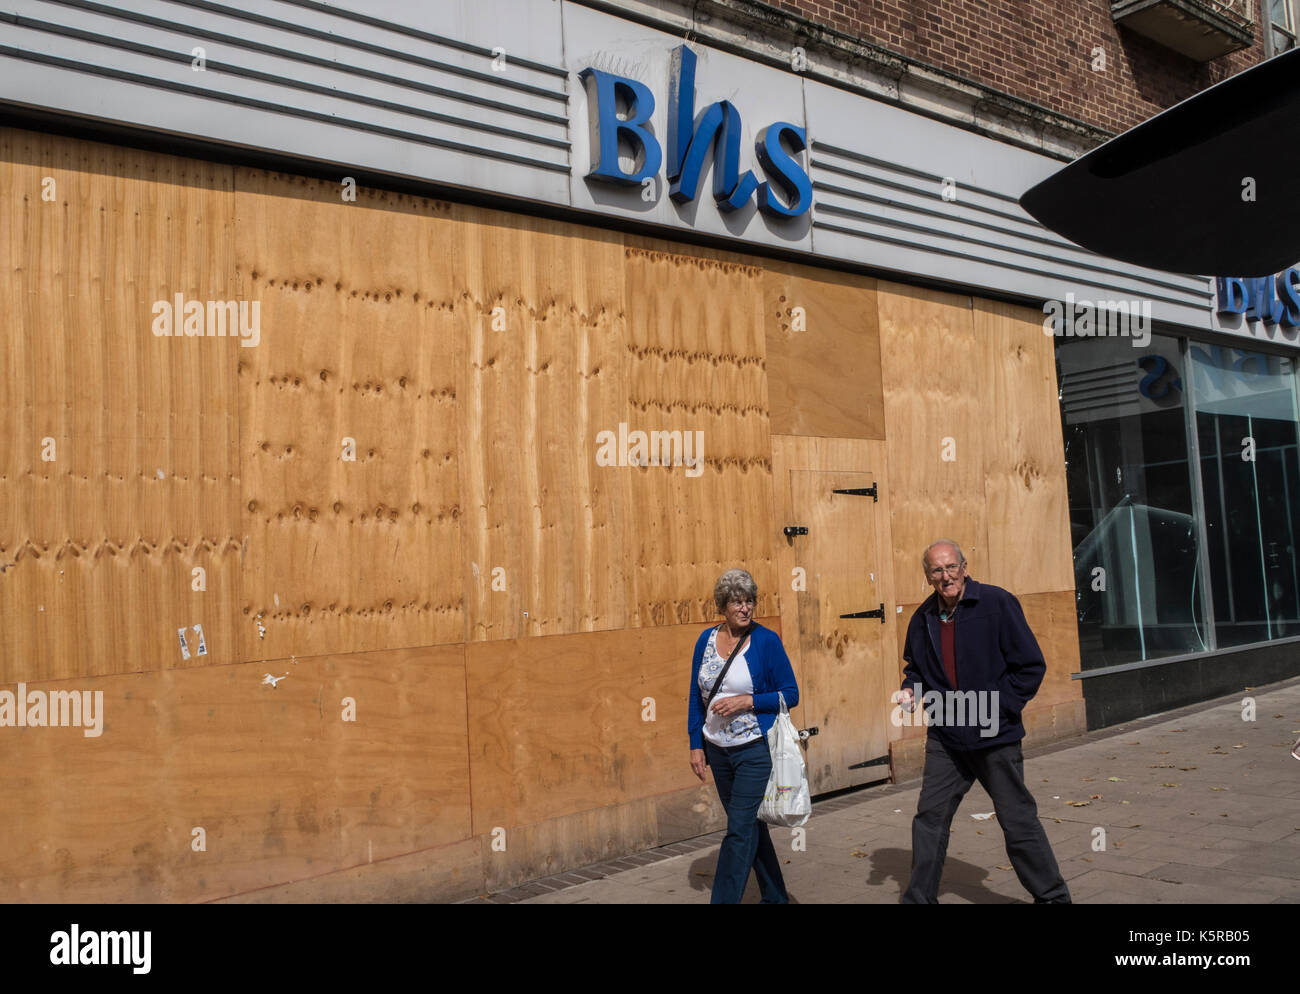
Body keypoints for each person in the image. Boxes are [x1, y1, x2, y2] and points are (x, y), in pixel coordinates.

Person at [897, 539, 1071, 904]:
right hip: (946, 737)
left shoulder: (997, 603)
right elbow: (915, 668)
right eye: (937, 570)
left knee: (1017, 821)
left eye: (951, 567)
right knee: (929, 819)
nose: (946, 577)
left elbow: (1030, 667)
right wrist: (910, 690)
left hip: (994, 734)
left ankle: (1053, 898)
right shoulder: (923, 618)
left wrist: (999, 708)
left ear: (964, 566)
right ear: (927, 576)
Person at [688, 568, 798, 904]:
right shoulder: (705, 641)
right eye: (737, 601)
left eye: (749, 600)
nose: (745, 608)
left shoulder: (766, 641)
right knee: (750, 826)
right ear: (724, 605)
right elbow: (696, 697)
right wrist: (696, 744)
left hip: (753, 750)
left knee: (737, 831)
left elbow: (790, 694)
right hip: (718, 751)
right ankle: (776, 897)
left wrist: (749, 700)